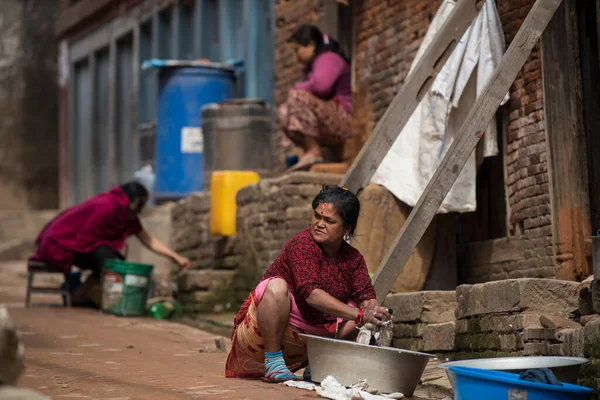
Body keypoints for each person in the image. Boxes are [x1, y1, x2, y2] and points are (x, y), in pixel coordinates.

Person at [225, 186, 391, 382]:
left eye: (329, 221)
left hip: (319, 334)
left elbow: (366, 297)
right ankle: (273, 362)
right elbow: (311, 294)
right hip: (277, 328)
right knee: (276, 286)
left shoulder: (354, 259)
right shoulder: (302, 245)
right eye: (317, 216)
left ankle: (319, 362)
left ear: (346, 229)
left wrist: (375, 313)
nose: (319, 224)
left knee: (360, 311)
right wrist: (360, 314)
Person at [31, 182, 190, 307]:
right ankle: (92, 296)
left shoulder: (126, 214)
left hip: (85, 247)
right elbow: (86, 238)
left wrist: (176, 257)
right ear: (134, 202)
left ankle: (81, 294)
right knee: (109, 261)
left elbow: (147, 239)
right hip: (59, 244)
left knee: (110, 259)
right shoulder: (107, 206)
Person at [279, 24, 352, 172]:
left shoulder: (329, 58)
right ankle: (310, 150)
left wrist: (297, 88)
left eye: (297, 49)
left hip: (344, 121)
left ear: (311, 45)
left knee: (298, 96)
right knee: (284, 110)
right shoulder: (313, 65)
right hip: (327, 122)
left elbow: (321, 86)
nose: (296, 55)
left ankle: (314, 151)